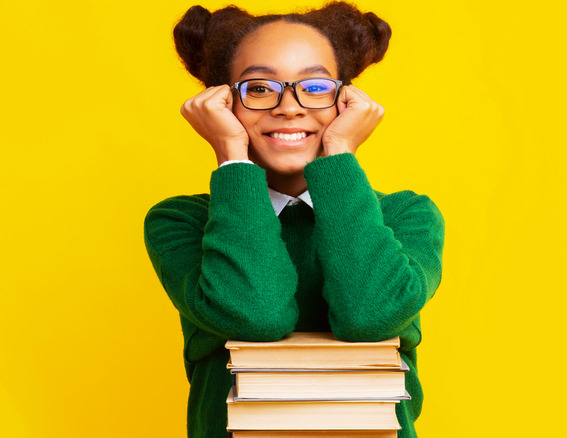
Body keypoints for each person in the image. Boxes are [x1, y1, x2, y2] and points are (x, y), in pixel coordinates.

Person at [143, 2, 445, 437]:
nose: (289, 107)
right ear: (223, 103)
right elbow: (256, 316)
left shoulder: (406, 216)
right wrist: (231, 155)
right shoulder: (180, 221)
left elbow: (369, 317)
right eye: (259, 88)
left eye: (316, 87)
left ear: (347, 100)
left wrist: (340, 153)